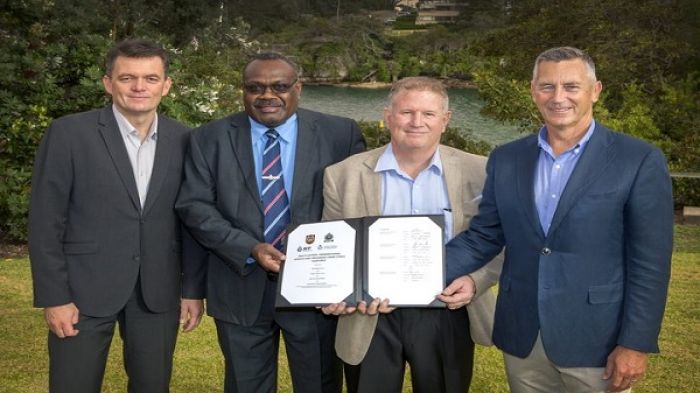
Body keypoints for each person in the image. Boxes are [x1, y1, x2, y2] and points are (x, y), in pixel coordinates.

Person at [439, 47, 674, 393]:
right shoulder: (507, 158)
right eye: (547, 86)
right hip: (523, 336)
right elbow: (484, 237)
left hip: (598, 339)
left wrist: (635, 343)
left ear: (595, 91)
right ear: (534, 92)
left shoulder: (638, 160)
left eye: (571, 87)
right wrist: (410, 275)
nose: (558, 97)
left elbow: (650, 263)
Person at [175, 52, 366, 393]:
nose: (267, 95)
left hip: (317, 294)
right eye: (255, 87)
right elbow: (195, 207)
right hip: (239, 285)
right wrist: (248, 247)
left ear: (298, 88)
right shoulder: (208, 138)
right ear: (243, 91)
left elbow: (356, 206)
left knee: (320, 384)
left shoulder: (340, 134)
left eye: (279, 86)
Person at [28, 38, 206, 393]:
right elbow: (45, 222)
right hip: (81, 291)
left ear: (166, 85)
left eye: (151, 78)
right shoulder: (68, 134)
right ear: (108, 83)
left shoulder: (186, 139)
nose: (139, 87)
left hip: (157, 292)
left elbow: (193, 220)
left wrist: (192, 290)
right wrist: (54, 296)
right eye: (127, 78)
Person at [320, 76, 502, 393]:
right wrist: (337, 292)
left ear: (444, 121)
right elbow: (333, 247)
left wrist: (476, 280)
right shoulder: (342, 175)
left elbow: (500, 241)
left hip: (447, 310)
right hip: (370, 314)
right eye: (406, 112)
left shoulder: (482, 172)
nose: (417, 122)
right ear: (388, 116)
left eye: (429, 114)